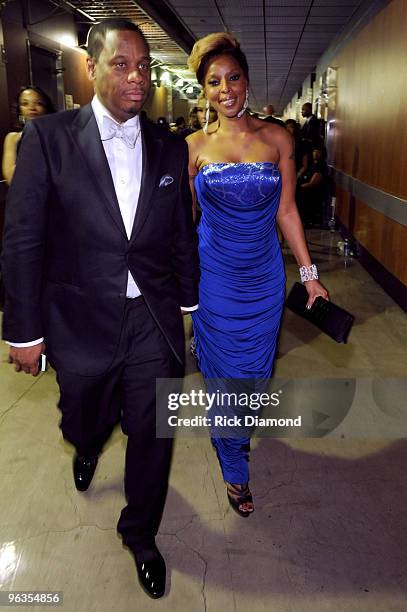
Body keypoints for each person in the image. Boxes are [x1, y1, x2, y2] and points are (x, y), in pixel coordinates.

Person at [1, 18, 199, 599]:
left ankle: (141, 534)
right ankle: (88, 441)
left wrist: (188, 302)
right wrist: (23, 330)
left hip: (152, 320)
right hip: (80, 317)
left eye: (143, 66)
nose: (137, 77)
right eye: (122, 64)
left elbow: (180, 231)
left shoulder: (169, 145)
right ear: (92, 68)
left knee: (153, 430)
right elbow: (23, 240)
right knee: (84, 415)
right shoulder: (48, 139)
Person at [186, 32, 327, 517]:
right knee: (225, 381)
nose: (225, 89)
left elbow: (287, 211)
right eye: (213, 82)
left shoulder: (278, 138)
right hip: (214, 280)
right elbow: (183, 225)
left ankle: (235, 434)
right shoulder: (193, 148)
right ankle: (234, 469)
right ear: (204, 90)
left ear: (247, 80)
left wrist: (308, 274)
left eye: (233, 78)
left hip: (263, 282)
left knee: (254, 378)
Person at [2, 86, 55, 185]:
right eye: (25, 103)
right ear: (19, 110)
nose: (32, 108)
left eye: (39, 103)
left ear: (46, 109)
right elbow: (11, 177)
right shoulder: (12, 138)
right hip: (25, 197)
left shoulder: (55, 137)